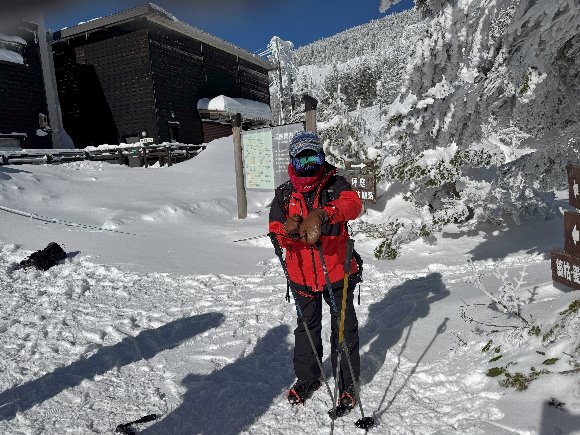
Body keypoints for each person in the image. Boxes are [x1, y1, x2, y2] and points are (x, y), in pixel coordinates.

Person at [269, 131, 363, 410]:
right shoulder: (285, 194)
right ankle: (308, 378)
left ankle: (347, 383)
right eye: (303, 159)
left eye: (314, 157)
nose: (309, 164)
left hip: (337, 271)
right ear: (293, 161)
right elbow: (275, 229)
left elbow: (353, 204)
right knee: (307, 329)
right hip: (301, 275)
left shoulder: (335, 184)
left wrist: (323, 213)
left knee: (343, 327)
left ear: (322, 157)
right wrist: (287, 232)